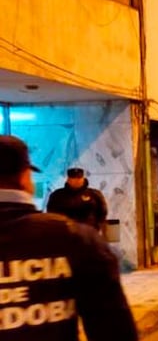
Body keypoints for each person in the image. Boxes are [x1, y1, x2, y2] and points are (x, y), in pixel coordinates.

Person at [0, 135, 138, 340]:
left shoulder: (92, 201)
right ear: (24, 177)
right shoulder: (76, 240)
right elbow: (113, 329)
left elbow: (102, 211)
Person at [47, 167, 108, 232]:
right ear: (68, 179)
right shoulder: (57, 195)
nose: (76, 180)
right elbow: (51, 214)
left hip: (88, 234)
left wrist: (96, 228)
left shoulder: (95, 194)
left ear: (83, 178)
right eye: (73, 178)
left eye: (79, 178)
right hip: (65, 234)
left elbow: (103, 212)